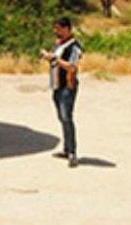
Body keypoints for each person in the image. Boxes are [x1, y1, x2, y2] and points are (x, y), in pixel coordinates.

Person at [41, 16, 82, 168]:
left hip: (67, 87)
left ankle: (72, 152)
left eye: (58, 28)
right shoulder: (60, 45)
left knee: (67, 117)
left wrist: (55, 59)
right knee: (62, 117)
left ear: (67, 29)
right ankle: (67, 149)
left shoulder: (74, 47)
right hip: (57, 86)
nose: (55, 31)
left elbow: (72, 66)